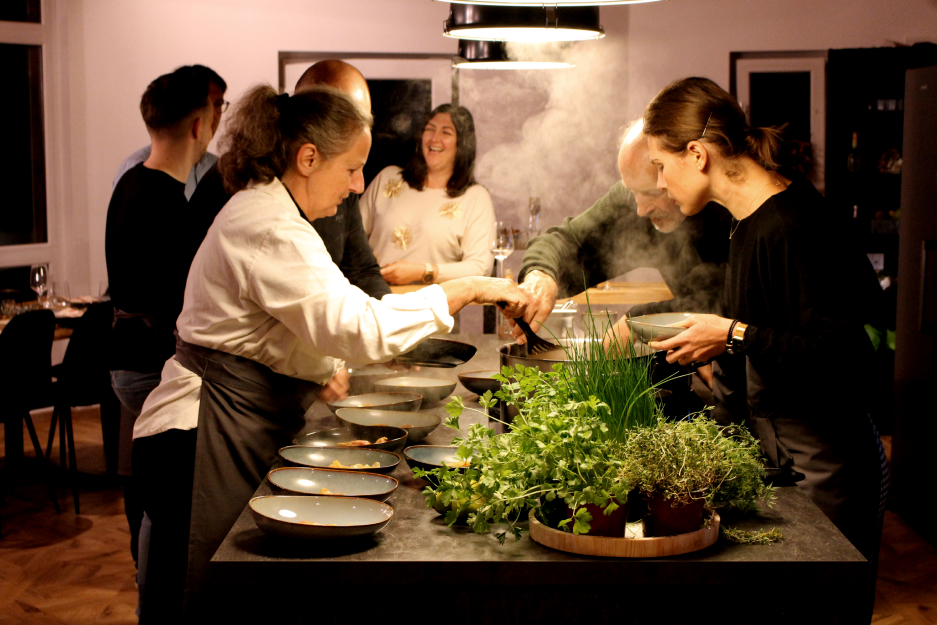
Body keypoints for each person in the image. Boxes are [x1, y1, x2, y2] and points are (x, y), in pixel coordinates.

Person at [131, 85, 527, 622]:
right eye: (351, 169)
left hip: (225, 423)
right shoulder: (267, 223)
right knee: (198, 602)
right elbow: (355, 326)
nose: (357, 185)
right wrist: (467, 288)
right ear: (308, 157)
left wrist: (321, 367)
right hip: (196, 436)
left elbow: (291, 324)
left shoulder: (280, 214)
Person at [642, 77, 887, 618]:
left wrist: (730, 334)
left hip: (828, 470)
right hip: (784, 457)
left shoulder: (790, 224)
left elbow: (842, 353)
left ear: (698, 154)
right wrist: (718, 348)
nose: (658, 182)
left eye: (661, 165)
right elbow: (772, 328)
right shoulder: (745, 222)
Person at [104, 65, 216, 585]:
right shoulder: (167, 200)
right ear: (199, 124)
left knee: (148, 486)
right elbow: (181, 303)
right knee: (162, 498)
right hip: (149, 362)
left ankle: (148, 585)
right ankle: (153, 594)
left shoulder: (130, 181)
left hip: (125, 358)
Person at [188, 59, 390, 299]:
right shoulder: (253, 198)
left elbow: (362, 271)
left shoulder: (339, 186)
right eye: (342, 118)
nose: (358, 184)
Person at [516, 119, 731, 335]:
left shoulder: (727, 211)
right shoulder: (634, 202)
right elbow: (567, 240)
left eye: (652, 192)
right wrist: (541, 275)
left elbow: (721, 304)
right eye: (633, 191)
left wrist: (637, 321)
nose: (640, 210)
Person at [360, 103, 495, 287]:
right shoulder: (388, 178)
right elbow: (351, 237)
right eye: (429, 130)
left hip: (432, 311)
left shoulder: (475, 197)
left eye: (446, 133)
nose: (434, 139)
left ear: (462, 144)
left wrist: (423, 271)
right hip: (372, 302)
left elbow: (480, 268)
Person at [112, 65, 227, 200]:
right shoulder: (134, 173)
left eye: (218, 104)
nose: (213, 115)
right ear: (197, 124)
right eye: (206, 105)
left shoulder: (219, 170)